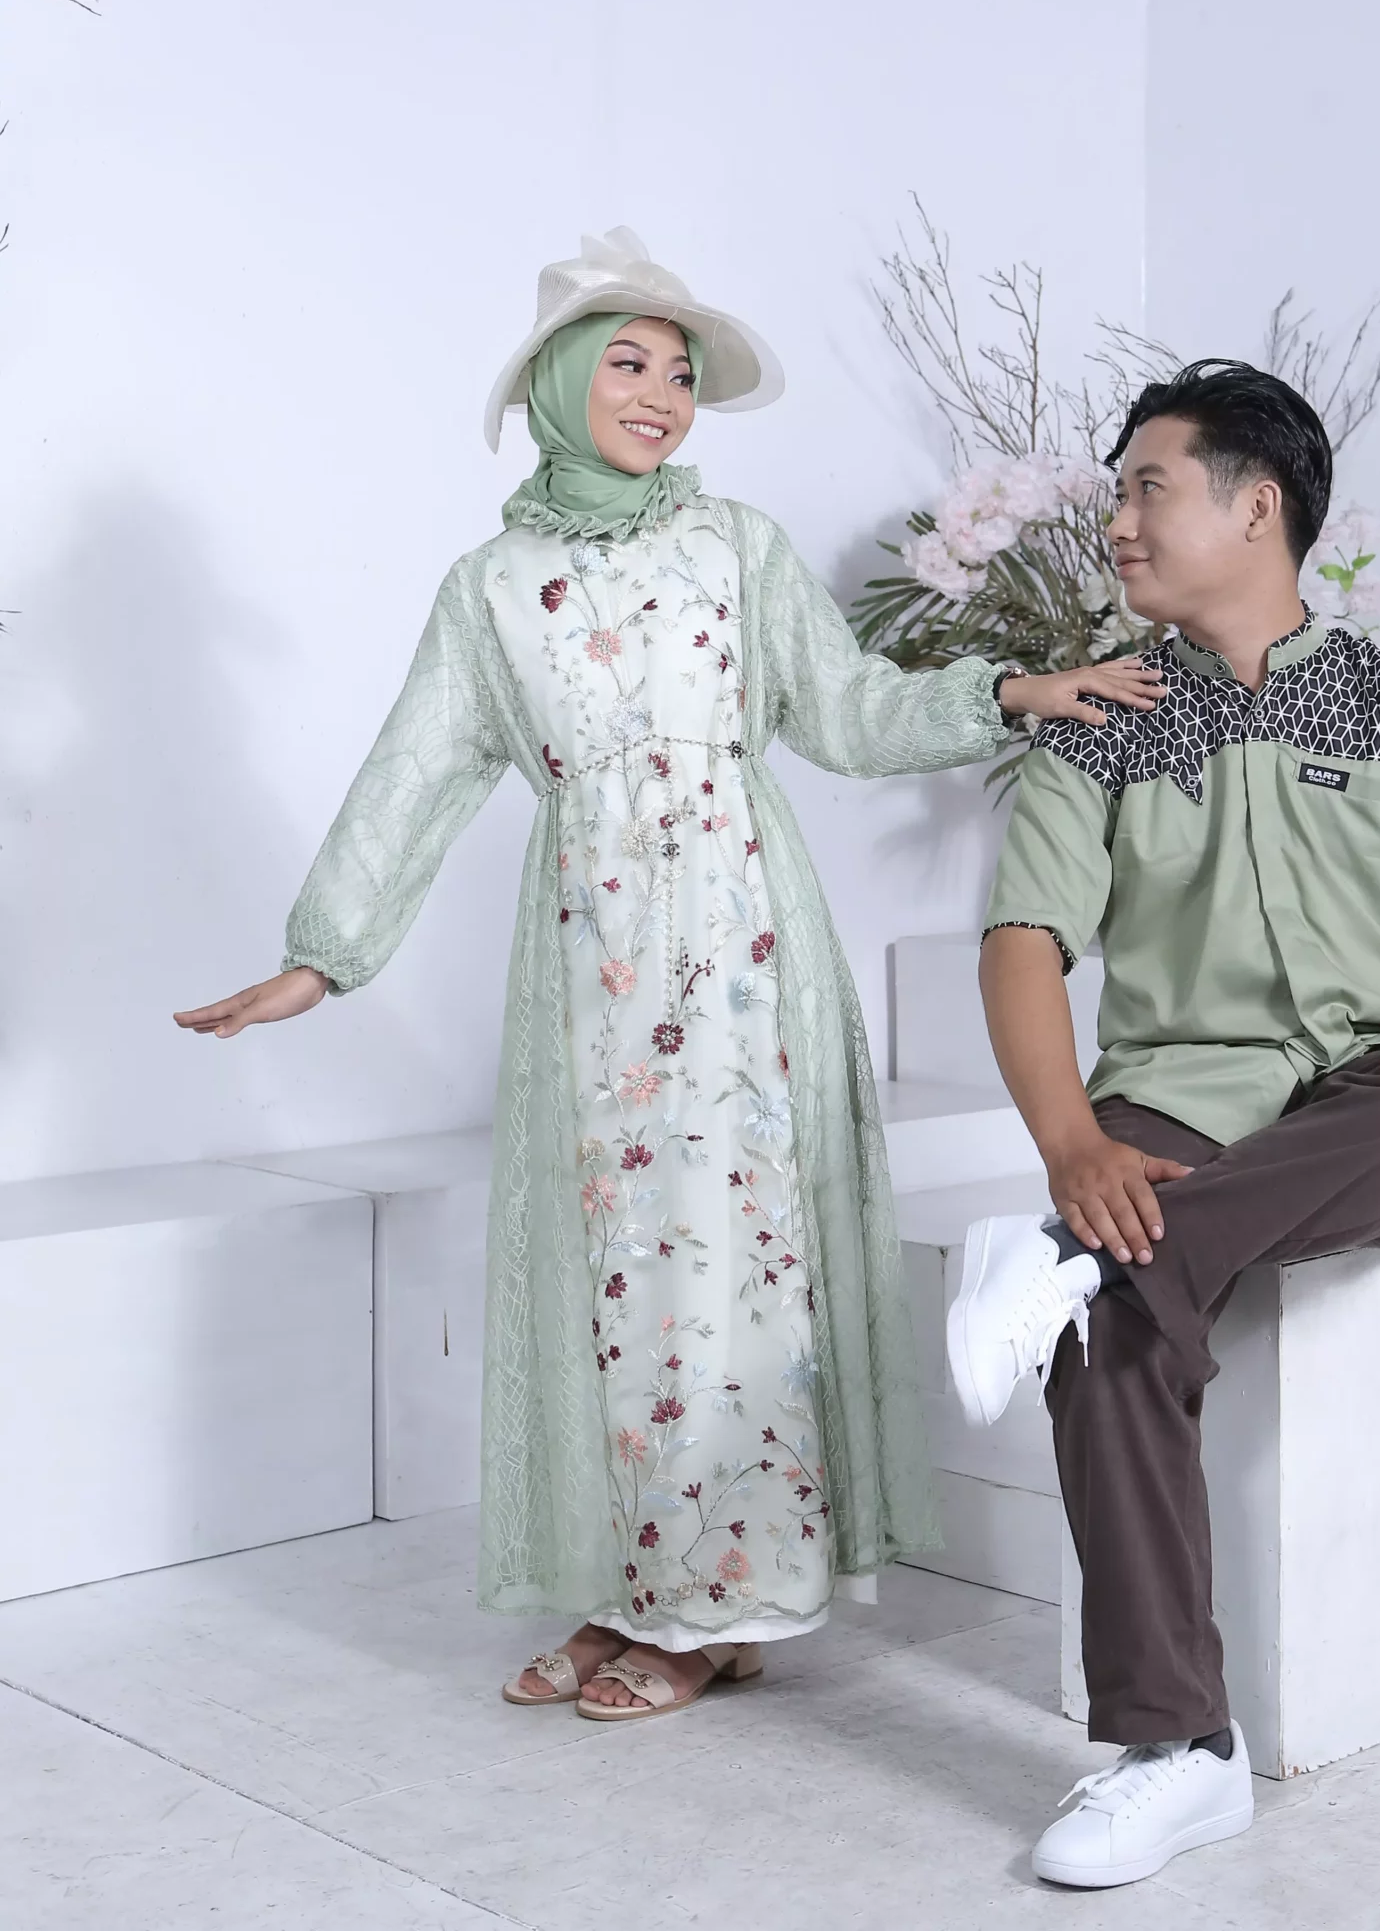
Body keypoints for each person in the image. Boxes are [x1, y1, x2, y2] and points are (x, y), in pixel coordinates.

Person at [176, 229, 1164, 1723]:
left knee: (728, 1265)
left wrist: (1018, 687)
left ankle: (722, 1604)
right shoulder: (490, 588)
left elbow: (848, 711)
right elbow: (416, 772)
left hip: (741, 950)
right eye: (629, 363)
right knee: (615, 1273)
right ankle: (633, 1584)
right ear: (559, 381)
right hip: (589, 964)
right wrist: (324, 957)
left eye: (682, 374)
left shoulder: (735, 548)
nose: (661, 395)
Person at [945, 358, 1380, 1888]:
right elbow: (1024, 944)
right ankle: (1180, 1753)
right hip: (1175, 1093)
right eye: (1117, 493)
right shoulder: (1101, 724)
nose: (1118, 522)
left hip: (1368, 1089)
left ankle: (1082, 1258)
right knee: (1113, 1324)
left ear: (1258, 508)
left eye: (1147, 487)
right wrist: (1072, 1148)